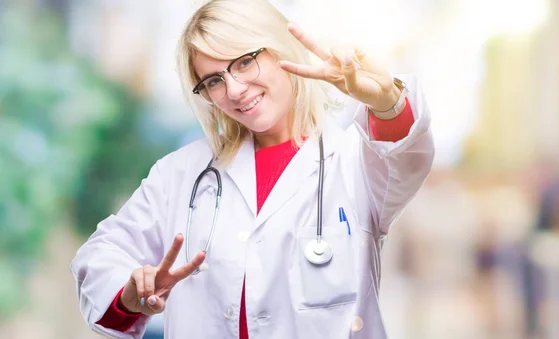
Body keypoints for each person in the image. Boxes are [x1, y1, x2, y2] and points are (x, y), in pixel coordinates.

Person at [69, 0, 435, 338]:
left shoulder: (354, 163)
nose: (235, 89)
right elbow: (100, 256)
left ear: (280, 49)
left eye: (244, 61)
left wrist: (387, 101)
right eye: (213, 80)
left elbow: (403, 155)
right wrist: (131, 294)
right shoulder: (181, 175)